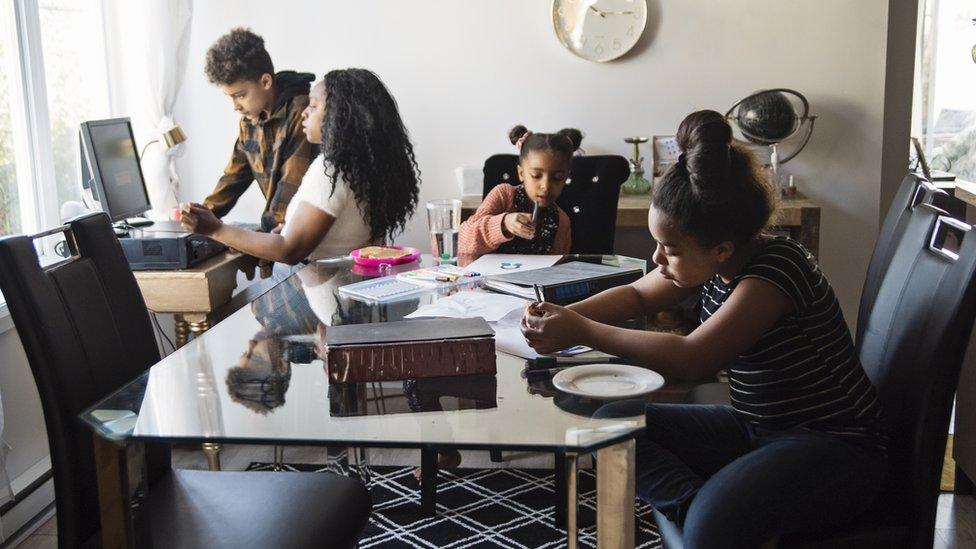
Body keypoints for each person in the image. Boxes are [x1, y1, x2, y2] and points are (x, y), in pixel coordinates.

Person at [521, 111, 888, 548]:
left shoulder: (776, 269)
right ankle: (705, 513)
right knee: (611, 424)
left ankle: (711, 522)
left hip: (835, 449)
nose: (657, 259)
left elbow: (695, 358)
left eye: (669, 249)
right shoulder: (715, 257)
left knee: (708, 527)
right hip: (759, 429)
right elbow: (639, 295)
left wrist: (581, 330)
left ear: (721, 250)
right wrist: (563, 314)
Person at [181, 69, 421, 266]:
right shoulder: (360, 166)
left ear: (340, 117)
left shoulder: (331, 171)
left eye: (314, 106)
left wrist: (215, 229)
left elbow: (289, 251)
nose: (304, 112)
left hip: (324, 293)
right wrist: (291, 228)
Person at [202, 28, 317, 233]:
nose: (235, 106)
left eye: (240, 95)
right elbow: (233, 177)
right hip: (277, 234)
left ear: (265, 81)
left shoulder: (302, 112)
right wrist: (202, 215)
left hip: (303, 236)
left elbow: (291, 186)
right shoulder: (249, 120)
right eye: (230, 97)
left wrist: (257, 238)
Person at [457, 126, 580, 256]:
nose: (546, 186)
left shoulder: (562, 222)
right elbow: (462, 242)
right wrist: (504, 223)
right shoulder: (504, 196)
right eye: (536, 175)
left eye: (557, 178)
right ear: (521, 173)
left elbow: (560, 267)